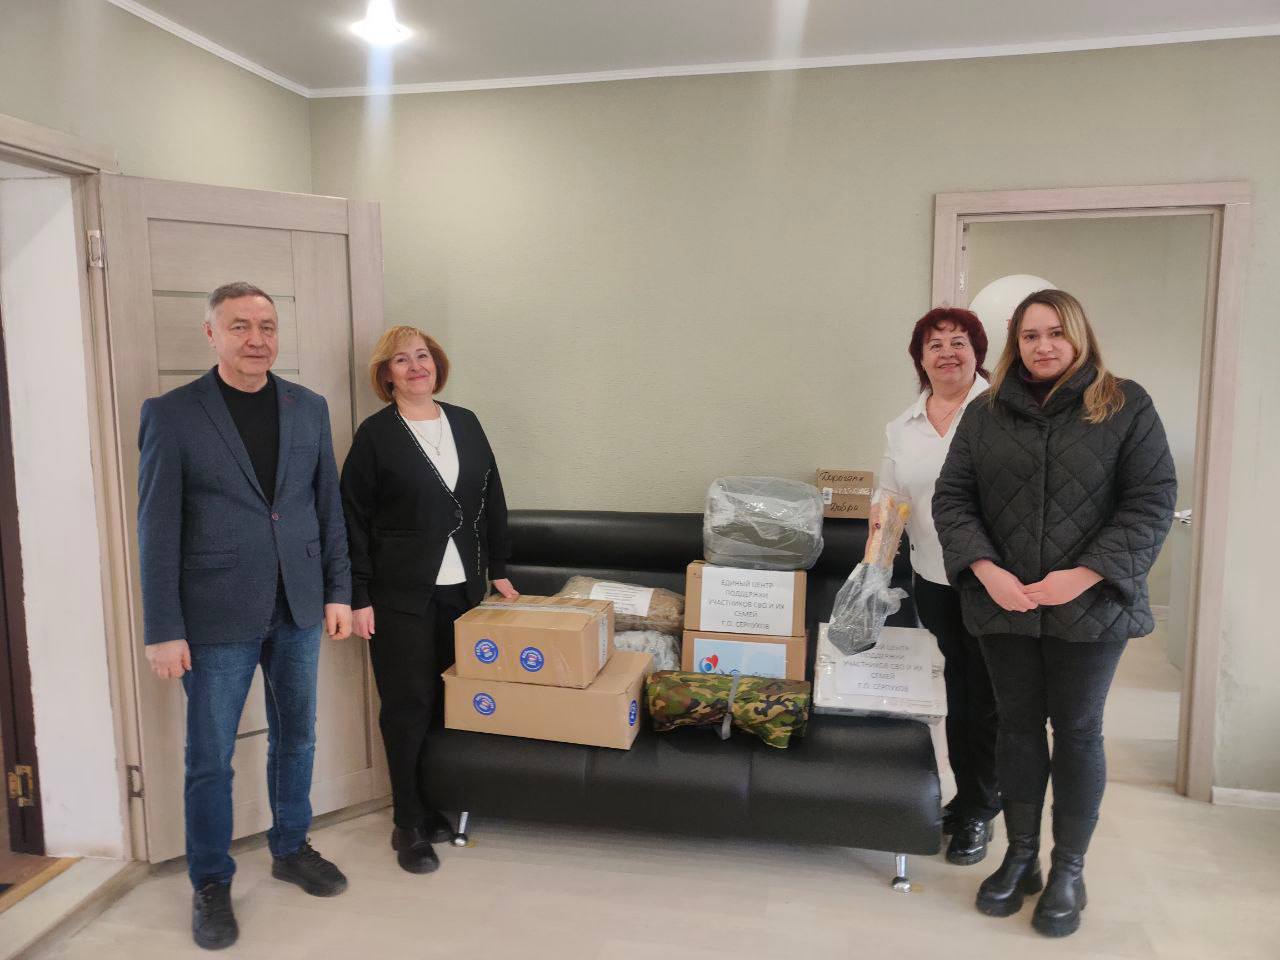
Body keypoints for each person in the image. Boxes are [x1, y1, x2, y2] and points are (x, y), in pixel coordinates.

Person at [933, 289, 1175, 938]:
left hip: (1091, 607)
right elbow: (953, 498)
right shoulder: (986, 412)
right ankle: (1020, 857)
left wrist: (1084, 574)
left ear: (1079, 335)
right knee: (1015, 728)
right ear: (1016, 344)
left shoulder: (1124, 404)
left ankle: (1069, 869)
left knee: (1077, 732)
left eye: (1055, 333)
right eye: (1030, 335)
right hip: (1004, 602)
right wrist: (987, 571)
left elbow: (1151, 501)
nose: (1043, 346)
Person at [137, 282, 354, 951]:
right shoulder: (172, 414)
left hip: (299, 604)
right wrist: (163, 629)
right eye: (240, 326)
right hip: (213, 615)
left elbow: (327, 507)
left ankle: (290, 847)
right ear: (211, 334)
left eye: (266, 326)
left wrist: (338, 592)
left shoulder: (308, 407)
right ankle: (210, 881)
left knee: (298, 737)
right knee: (210, 757)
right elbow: (156, 530)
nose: (257, 339)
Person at [341, 326, 516, 875]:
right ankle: (407, 821)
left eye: (423, 356)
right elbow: (353, 519)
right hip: (398, 596)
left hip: (463, 591)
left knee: (448, 701)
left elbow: (491, 498)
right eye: (401, 359)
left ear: (436, 365)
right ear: (386, 374)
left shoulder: (465, 421)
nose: (416, 366)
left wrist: (500, 570)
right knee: (408, 705)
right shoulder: (376, 435)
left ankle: (435, 801)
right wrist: (357, 594)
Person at [875, 306, 999, 866]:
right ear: (920, 360)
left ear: (977, 352)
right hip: (933, 576)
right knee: (956, 696)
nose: (947, 352)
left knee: (990, 698)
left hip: (997, 580)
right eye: (935, 344)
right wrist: (872, 572)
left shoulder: (1002, 409)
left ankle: (982, 808)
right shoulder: (903, 427)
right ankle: (967, 797)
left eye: (958, 341)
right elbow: (889, 501)